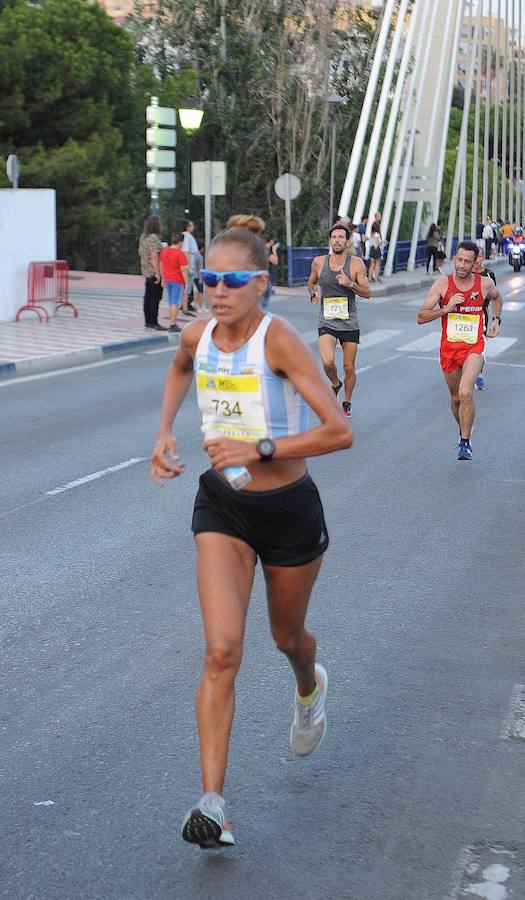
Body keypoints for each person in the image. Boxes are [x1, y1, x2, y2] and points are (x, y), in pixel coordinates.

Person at [150, 215, 352, 850]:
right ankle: (214, 805)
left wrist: (257, 445)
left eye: (232, 280)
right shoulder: (199, 332)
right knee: (221, 652)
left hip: (289, 507)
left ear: (261, 284)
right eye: (210, 278)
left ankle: (309, 684)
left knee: (286, 637)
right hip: (225, 508)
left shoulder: (280, 340)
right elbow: (182, 365)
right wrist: (163, 432)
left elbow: (339, 431)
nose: (217, 290)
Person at [417, 241, 503, 461]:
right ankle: (464, 429)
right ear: (454, 259)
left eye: (467, 261)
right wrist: (446, 308)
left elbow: (497, 297)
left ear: (475, 263)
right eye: (459, 260)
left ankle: (464, 443)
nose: (462, 265)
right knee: (456, 399)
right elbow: (421, 317)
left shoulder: (484, 284)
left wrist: (496, 320)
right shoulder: (442, 285)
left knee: (466, 392)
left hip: (474, 345)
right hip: (449, 348)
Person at [307, 224, 371, 418]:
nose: (337, 240)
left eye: (341, 237)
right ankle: (335, 383)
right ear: (330, 240)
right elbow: (311, 282)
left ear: (347, 241)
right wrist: (313, 292)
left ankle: (347, 401)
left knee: (348, 367)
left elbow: (368, 293)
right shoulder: (319, 262)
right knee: (327, 363)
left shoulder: (356, 264)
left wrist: (350, 284)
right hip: (327, 321)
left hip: (349, 322)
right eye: (333, 237)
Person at [473, 247, 497, 390]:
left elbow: (495, 297)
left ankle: (479, 375)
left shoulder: (489, 274)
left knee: (479, 345)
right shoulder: (465, 273)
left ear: (483, 258)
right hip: (465, 315)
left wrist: (495, 319)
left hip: (481, 313)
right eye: (474, 257)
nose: (477, 260)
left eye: (480, 256)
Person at [138, 215, 166, 331]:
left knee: (147, 297)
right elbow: (154, 256)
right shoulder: (154, 238)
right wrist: (158, 273)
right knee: (155, 298)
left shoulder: (143, 237)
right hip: (154, 272)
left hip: (145, 270)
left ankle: (148, 322)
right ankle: (154, 322)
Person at [159, 233, 189, 332]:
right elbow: (183, 269)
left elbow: (161, 264)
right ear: (180, 242)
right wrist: (186, 282)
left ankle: (172, 321)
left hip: (167, 279)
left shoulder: (165, 251)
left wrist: (163, 277)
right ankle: (173, 323)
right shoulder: (180, 253)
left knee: (171, 301)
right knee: (175, 302)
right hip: (177, 279)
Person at [181, 220, 200, 317]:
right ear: (187, 227)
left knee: (188, 287)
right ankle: (185, 307)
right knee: (187, 287)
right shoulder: (187, 237)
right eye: (192, 225)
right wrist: (189, 266)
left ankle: (185, 306)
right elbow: (186, 251)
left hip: (189, 264)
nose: (193, 227)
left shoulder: (187, 236)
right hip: (189, 265)